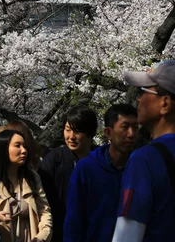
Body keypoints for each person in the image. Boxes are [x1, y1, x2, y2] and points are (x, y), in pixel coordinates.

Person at [112, 60, 175, 241]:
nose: (138, 99)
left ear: (165, 103)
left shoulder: (145, 159)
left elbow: (127, 235)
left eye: (144, 90)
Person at [64, 103, 138, 242]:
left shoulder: (141, 168)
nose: (131, 134)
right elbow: (74, 221)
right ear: (108, 132)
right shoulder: (87, 168)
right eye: (125, 127)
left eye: (135, 127)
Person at [0, 129, 52, 242]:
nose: (24, 150)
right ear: (3, 149)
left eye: (24, 146)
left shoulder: (32, 177)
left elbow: (44, 211)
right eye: (17, 145)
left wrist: (42, 237)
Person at [38, 106, 97, 242]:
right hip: (60, 230)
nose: (71, 137)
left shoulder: (101, 159)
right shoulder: (55, 158)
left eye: (77, 131)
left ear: (91, 132)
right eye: (67, 130)